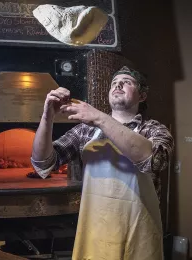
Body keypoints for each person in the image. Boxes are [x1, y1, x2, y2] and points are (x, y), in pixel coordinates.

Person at [31, 66, 174, 260]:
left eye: (127, 82)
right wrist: (47, 116)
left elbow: (155, 161)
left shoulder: (153, 129)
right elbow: (43, 163)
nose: (119, 85)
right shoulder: (85, 131)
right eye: (114, 83)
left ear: (142, 96)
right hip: (95, 231)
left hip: (139, 231)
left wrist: (99, 118)